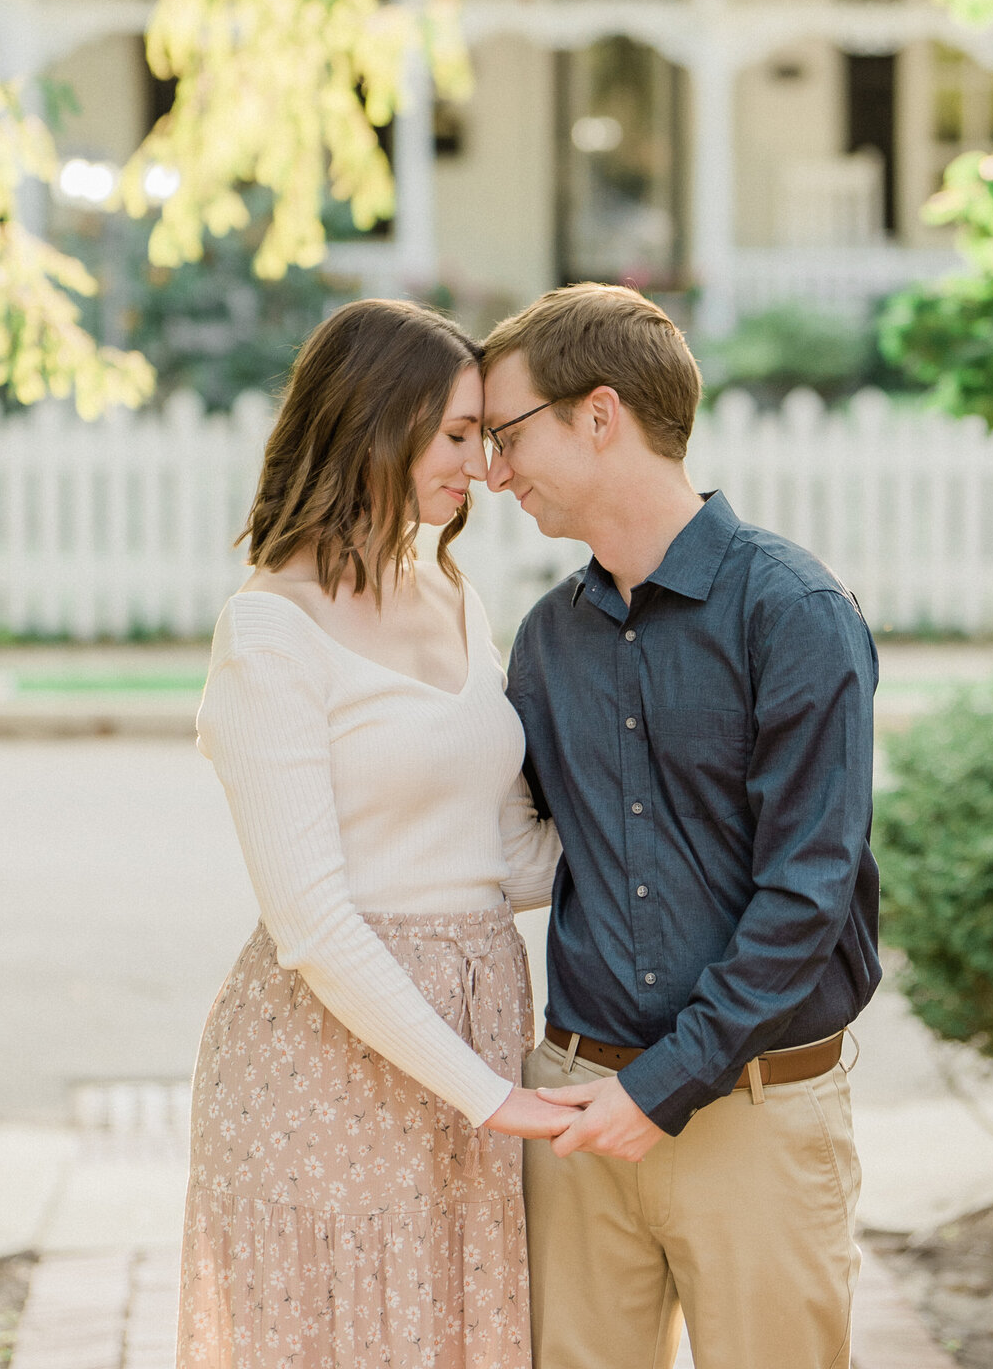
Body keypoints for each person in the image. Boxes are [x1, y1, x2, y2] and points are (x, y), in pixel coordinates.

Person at [480, 282, 881, 1369]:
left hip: (754, 1116)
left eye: (509, 435)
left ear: (598, 416)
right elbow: (519, 850)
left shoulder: (791, 612)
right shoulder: (545, 641)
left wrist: (663, 1087)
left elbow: (809, 888)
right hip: (575, 1109)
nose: (491, 470)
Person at [177, 299, 566, 1369]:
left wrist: (686, 837)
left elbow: (509, 858)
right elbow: (310, 921)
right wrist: (494, 1098)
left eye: (487, 438)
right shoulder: (271, 631)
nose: (483, 470)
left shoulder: (450, 594)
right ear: (372, 427)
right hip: (329, 1069)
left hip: (479, 1031)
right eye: (456, 436)